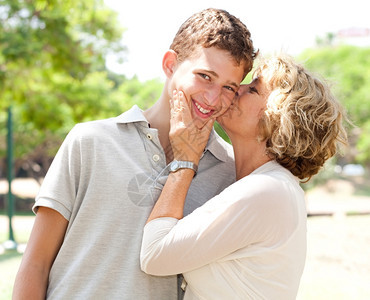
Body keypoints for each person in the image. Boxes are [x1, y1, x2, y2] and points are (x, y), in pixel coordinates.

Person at [12, 8, 257, 300]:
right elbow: (36, 264)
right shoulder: (89, 141)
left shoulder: (231, 174)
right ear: (170, 64)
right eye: (205, 76)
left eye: (229, 87)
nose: (213, 98)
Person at [140, 54, 348, 299]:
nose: (238, 89)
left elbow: (154, 255)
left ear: (277, 118)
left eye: (254, 89)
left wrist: (185, 161)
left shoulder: (266, 191)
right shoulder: (269, 186)